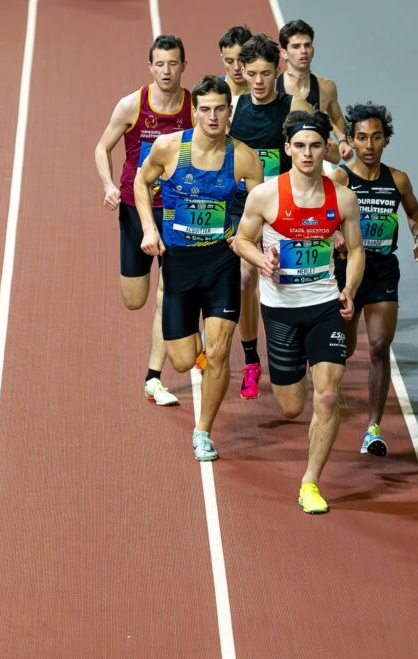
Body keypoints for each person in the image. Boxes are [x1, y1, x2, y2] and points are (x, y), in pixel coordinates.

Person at [233, 110, 364, 513]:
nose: (307, 154)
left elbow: (357, 250)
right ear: (287, 149)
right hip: (281, 310)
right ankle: (295, 382)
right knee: (292, 406)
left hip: (324, 306)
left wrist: (349, 288)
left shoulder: (342, 197)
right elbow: (240, 239)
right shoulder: (266, 195)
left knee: (326, 396)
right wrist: (261, 260)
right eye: (300, 146)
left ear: (325, 149)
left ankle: (310, 482)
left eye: (315, 146)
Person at [136, 76, 263, 461]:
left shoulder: (244, 157)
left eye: (219, 109)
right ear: (195, 112)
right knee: (183, 361)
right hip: (178, 263)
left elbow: (256, 205)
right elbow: (143, 184)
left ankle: (203, 430)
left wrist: (243, 238)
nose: (212, 115)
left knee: (221, 350)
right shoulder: (169, 147)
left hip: (220, 262)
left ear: (229, 112)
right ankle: (200, 349)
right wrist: (147, 227)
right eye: (205, 108)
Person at [94, 35, 192, 407]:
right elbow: (102, 147)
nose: (166, 71)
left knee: (168, 292)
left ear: (184, 65)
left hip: (178, 211)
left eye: (173, 63)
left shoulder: (195, 108)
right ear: (149, 66)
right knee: (135, 299)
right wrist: (107, 185)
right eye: (160, 64)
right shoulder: (132, 104)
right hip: (137, 207)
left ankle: (153, 377)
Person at [229, 34, 327, 400]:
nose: (257, 81)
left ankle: (299, 346)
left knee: (291, 279)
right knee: (245, 278)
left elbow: (314, 150)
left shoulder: (293, 106)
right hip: (246, 207)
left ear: (277, 71)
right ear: (242, 71)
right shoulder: (235, 108)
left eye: (265, 73)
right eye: (251, 73)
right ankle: (253, 360)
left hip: (287, 207)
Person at [329, 102, 418, 456]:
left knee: (378, 347)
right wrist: (333, 235)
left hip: (384, 269)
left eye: (376, 137)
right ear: (351, 142)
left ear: (386, 140)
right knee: (344, 347)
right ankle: (327, 396)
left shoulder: (397, 179)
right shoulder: (340, 178)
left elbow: (414, 212)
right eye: (361, 138)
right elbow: (320, 213)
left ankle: (373, 427)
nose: (369, 145)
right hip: (347, 271)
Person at [276, 19, 352, 162]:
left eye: (307, 45)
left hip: (310, 166)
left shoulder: (326, 87)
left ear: (313, 50)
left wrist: (343, 140)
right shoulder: (273, 88)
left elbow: (337, 118)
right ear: (284, 53)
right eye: (296, 46)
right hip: (278, 167)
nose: (303, 51)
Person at [218, 25, 252, 110]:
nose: (236, 67)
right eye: (229, 61)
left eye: (241, 60)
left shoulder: (270, 90)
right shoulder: (213, 94)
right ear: (222, 58)